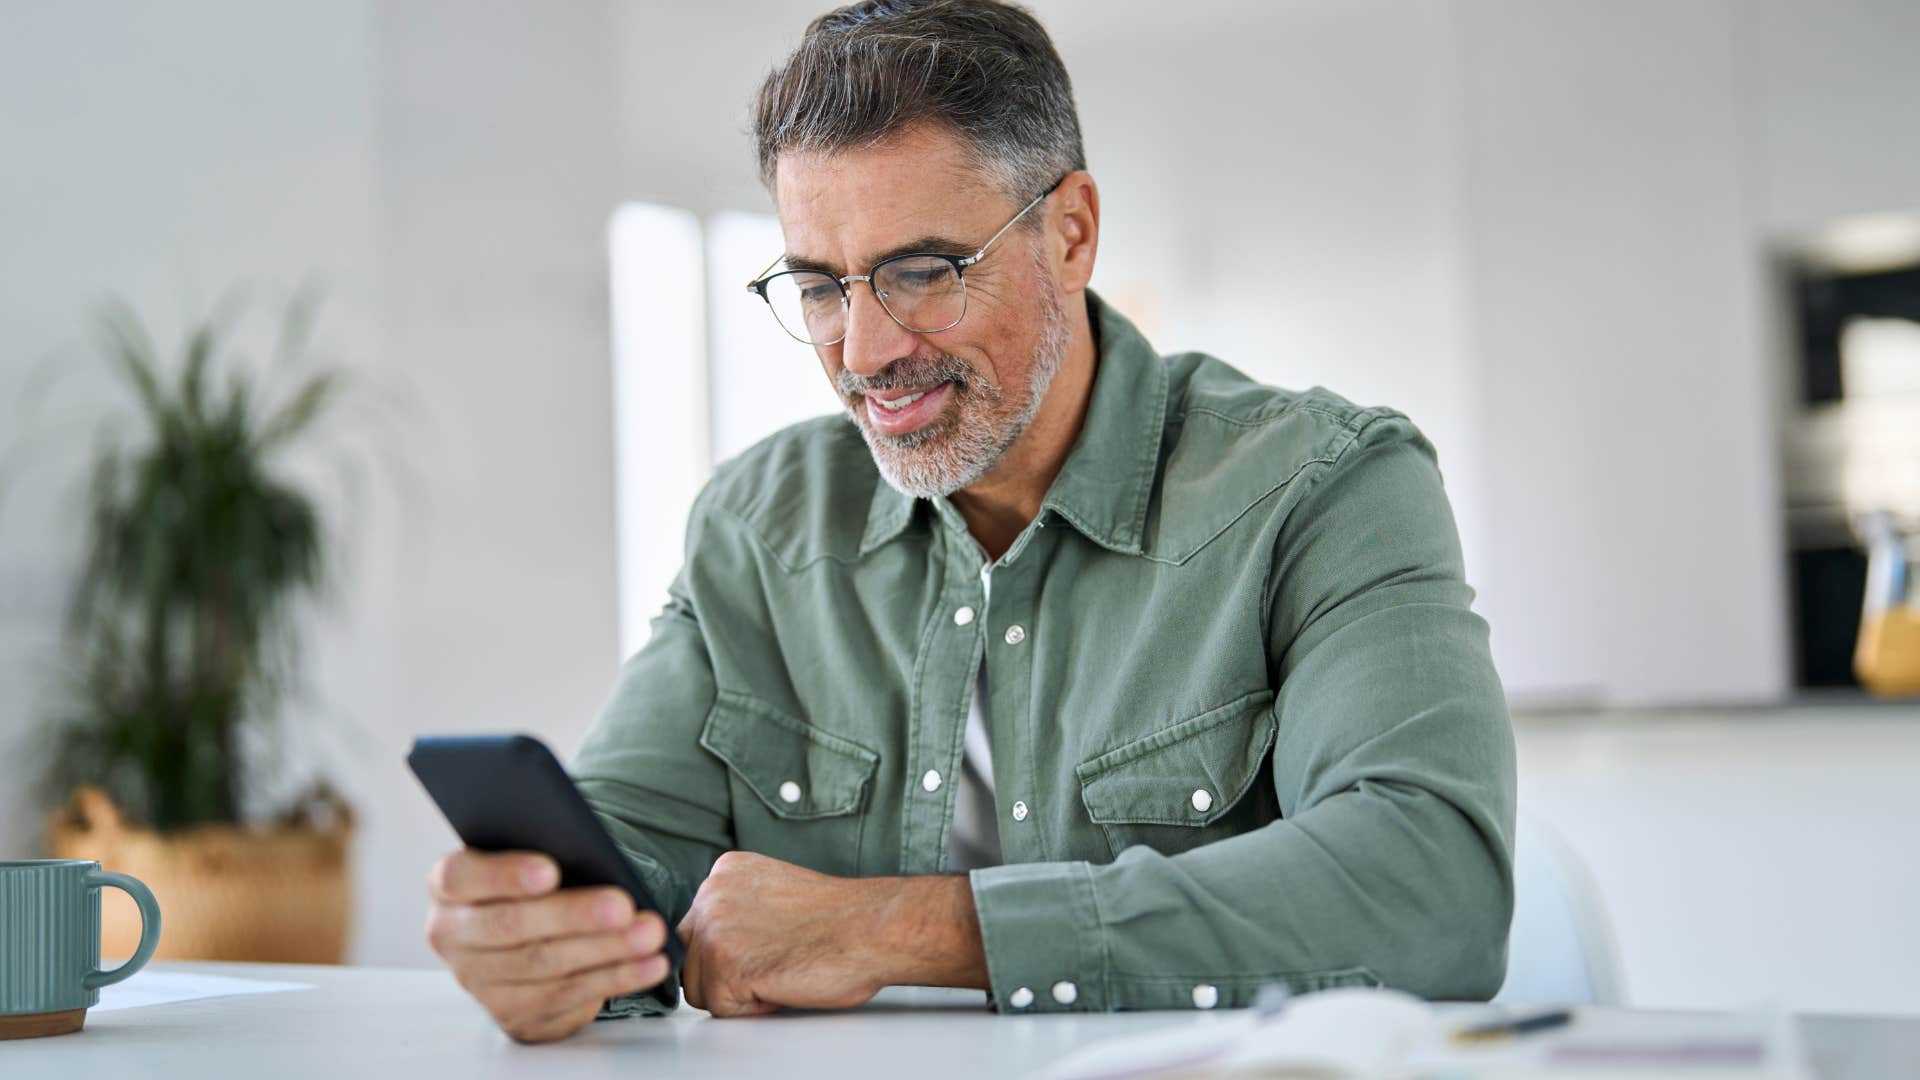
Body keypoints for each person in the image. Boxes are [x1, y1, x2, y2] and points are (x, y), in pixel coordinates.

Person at [425, 0, 1514, 1043]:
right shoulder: (756, 529)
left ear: (1073, 234)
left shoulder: (1327, 488)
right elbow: (626, 855)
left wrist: (898, 929)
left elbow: (1434, 885)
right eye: (819, 287)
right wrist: (541, 940)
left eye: (921, 272)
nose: (862, 353)